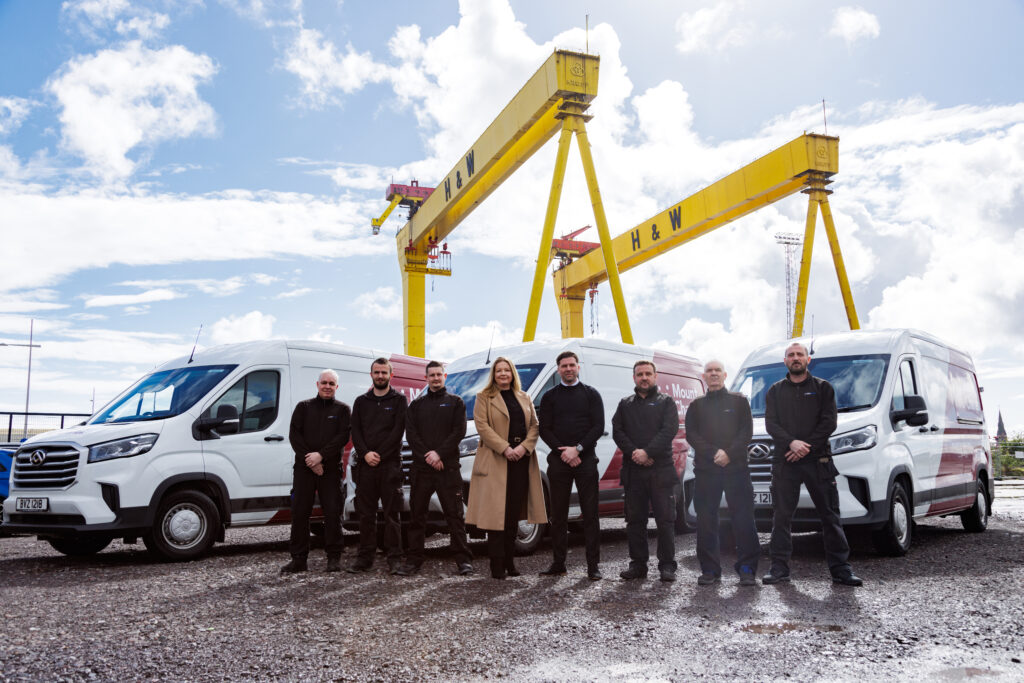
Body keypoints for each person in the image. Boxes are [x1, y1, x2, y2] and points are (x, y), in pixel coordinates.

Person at [763, 342, 863, 587]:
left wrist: (804, 446)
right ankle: (779, 569)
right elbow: (771, 425)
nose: (795, 358)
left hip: (818, 461)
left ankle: (841, 570)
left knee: (829, 516)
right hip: (786, 463)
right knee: (781, 518)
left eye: (799, 355)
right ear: (784, 361)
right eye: (790, 355)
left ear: (808, 360)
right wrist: (791, 444)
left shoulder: (823, 388)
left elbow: (828, 423)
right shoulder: (775, 391)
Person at [465, 357, 547, 579]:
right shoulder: (484, 397)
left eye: (506, 370)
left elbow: (535, 426)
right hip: (496, 460)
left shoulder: (525, 396)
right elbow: (482, 426)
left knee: (512, 514)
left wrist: (523, 448)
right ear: (494, 374)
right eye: (499, 371)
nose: (503, 374)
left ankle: (511, 562)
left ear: (512, 374)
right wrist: (505, 448)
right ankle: (497, 565)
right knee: (495, 515)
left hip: (521, 460)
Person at [684, 360, 759, 586]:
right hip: (707, 471)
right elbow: (692, 435)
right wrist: (714, 453)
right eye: (709, 371)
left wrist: (728, 453)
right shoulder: (696, 405)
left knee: (744, 519)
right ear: (704, 377)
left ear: (725, 375)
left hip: (736, 470)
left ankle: (747, 569)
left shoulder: (739, 401)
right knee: (706, 521)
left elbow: (746, 433)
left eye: (717, 370)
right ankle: (709, 570)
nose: (713, 374)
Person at [397, 360, 474, 576]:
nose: (435, 378)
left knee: (455, 515)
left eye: (439, 375)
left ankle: (463, 561)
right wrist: (428, 456)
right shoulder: (417, 405)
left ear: (445, 376)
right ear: (426, 378)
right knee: (417, 517)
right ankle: (414, 561)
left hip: (447, 468)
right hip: (422, 470)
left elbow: (458, 432)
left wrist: (439, 454)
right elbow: (411, 435)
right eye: (431, 375)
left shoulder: (455, 402)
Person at [611, 360, 681, 582]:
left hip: (661, 470)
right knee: (635, 521)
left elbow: (669, 430)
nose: (644, 377)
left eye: (648, 374)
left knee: (665, 520)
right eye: (639, 374)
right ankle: (638, 565)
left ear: (655, 376)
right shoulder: (625, 404)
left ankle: (667, 566)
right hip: (634, 471)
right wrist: (636, 453)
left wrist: (648, 452)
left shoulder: (666, 402)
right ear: (634, 378)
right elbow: (618, 432)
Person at [538, 350, 605, 580]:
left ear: (578, 367)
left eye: (572, 365)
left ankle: (593, 566)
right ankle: (558, 563)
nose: (568, 369)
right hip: (559, 461)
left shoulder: (591, 394)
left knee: (590, 514)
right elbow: (544, 429)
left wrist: (577, 449)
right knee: (558, 515)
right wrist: (563, 451)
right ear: (558, 369)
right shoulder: (549, 397)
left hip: (585, 460)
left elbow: (598, 426)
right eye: (564, 366)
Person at [281, 369, 351, 574]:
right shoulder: (303, 407)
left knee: (332, 512)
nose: (327, 386)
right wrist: (311, 460)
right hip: (304, 468)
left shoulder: (343, 410)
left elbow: (342, 438)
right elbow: (295, 435)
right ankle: (299, 559)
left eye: (331, 383)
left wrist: (321, 456)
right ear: (317, 384)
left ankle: (334, 558)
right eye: (324, 383)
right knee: (300, 513)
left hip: (330, 470)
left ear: (336, 387)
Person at [347, 357, 408, 574]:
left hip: (390, 465)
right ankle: (365, 559)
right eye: (376, 372)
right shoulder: (361, 401)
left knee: (392, 515)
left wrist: (380, 454)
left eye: (384, 372)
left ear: (391, 375)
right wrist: (365, 454)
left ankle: (395, 560)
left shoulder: (400, 400)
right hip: (366, 467)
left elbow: (397, 432)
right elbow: (356, 431)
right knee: (366, 515)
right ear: (371, 375)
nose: (380, 376)